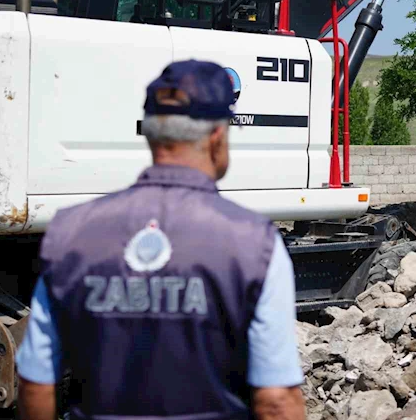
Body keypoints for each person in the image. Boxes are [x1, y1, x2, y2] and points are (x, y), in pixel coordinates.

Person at [15, 59, 306, 420]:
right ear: (217, 137)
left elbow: (35, 384)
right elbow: (276, 402)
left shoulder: (69, 233)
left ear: (152, 134)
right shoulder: (255, 244)